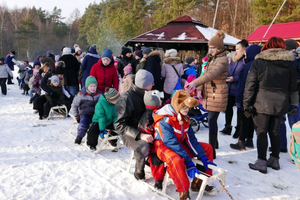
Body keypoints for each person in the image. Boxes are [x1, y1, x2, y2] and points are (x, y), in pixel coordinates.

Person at [244, 37, 297, 174]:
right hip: (281, 102)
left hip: (261, 102)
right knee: (275, 131)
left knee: (261, 132)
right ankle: (275, 160)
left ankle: (261, 161)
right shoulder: (290, 64)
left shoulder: (259, 62)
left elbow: (250, 85)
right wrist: (294, 104)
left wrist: (247, 104)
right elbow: (293, 87)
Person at [153, 90, 216, 200]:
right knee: (176, 160)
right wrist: (188, 161)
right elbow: (170, 142)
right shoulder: (165, 120)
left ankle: (199, 182)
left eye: (188, 107)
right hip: (163, 145)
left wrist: (202, 155)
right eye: (184, 107)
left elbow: (190, 139)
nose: (187, 110)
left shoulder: (184, 117)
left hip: (179, 143)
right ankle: (183, 191)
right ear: (177, 105)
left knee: (207, 148)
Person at [185, 30, 229, 159]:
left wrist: (194, 83)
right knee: (212, 121)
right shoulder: (212, 59)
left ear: (219, 48)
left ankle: (212, 151)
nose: (210, 50)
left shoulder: (222, 59)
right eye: (209, 47)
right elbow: (205, 75)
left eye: (213, 47)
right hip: (210, 93)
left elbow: (211, 75)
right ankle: (214, 145)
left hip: (217, 94)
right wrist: (199, 88)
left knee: (212, 120)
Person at [115, 69, 154, 180]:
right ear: (145, 85)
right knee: (143, 146)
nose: (153, 84)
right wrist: (140, 135)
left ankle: (158, 167)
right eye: (151, 83)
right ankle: (139, 171)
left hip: (145, 128)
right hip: (130, 134)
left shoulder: (147, 94)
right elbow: (119, 125)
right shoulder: (126, 98)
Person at [230, 44, 262, 151]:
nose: (245, 55)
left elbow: (243, 84)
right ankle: (249, 140)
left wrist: (239, 98)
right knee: (251, 120)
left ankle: (241, 141)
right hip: (255, 98)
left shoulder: (248, 66)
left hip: (245, 97)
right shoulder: (260, 65)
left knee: (243, 119)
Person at [220, 39, 248, 137]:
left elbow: (245, 75)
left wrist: (234, 78)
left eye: (238, 49)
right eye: (235, 49)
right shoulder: (233, 59)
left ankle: (238, 129)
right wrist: (226, 76)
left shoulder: (245, 60)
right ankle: (228, 126)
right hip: (230, 87)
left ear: (244, 49)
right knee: (228, 107)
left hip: (239, 88)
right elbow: (230, 70)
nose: (236, 51)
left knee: (240, 110)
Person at [138, 90, 165, 190]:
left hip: (159, 138)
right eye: (160, 100)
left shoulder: (157, 111)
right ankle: (158, 180)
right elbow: (148, 130)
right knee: (156, 157)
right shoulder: (150, 115)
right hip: (150, 141)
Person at [70, 76, 102, 144]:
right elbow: (74, 105)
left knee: (101, 123)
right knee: (84, 124)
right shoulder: (82, 94)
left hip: (96, 114)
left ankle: (101, 135)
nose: (93, 88)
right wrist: (77, 116)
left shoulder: (99, 94)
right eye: (91, 86)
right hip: (85, 113)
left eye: (94, 86)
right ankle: (79, 137)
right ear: (87, 86)